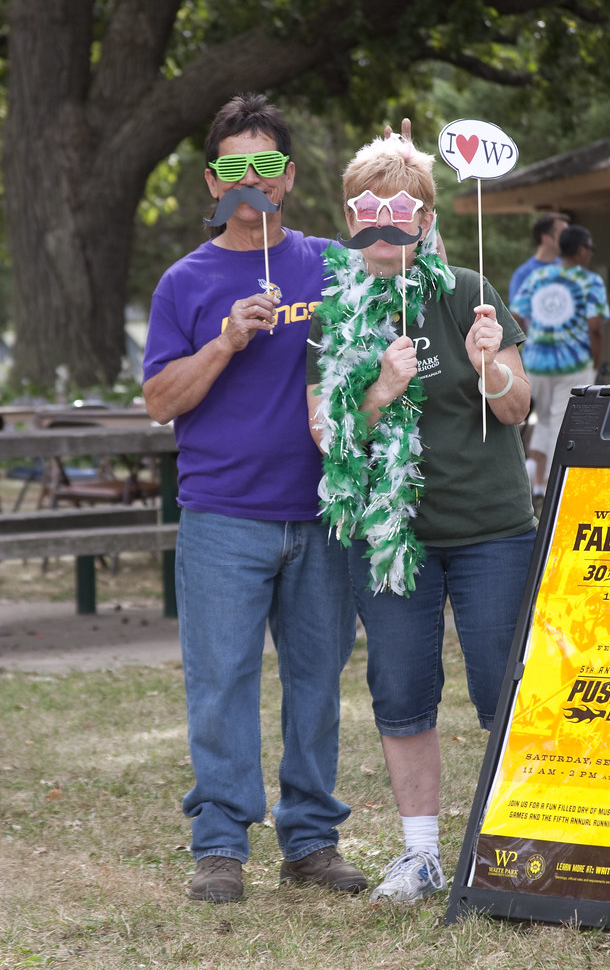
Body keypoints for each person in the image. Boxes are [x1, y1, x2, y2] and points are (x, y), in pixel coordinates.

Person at [142, 93, 366, 903]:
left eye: (263, 168)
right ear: (211, 182)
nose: (249, 183)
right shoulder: (185, 281)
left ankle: (309, 840)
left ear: (288, 178)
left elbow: (401, 296)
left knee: (315, 681)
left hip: (320, 512)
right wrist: (226, 341)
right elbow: (161, 399)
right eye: (232, 169)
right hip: (222, 517)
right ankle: (219, 847)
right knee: (222, 682)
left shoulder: (334, 266)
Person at [306, 133, 536, 903]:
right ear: (348, 216)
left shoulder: (466, 286)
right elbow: (323, 432)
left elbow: (516, 408)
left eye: (398, 214)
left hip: (489, 529)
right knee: (400, 689)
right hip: (388, 535)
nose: (381, 232)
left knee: (504, 686)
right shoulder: (337, 310)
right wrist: (376, 391)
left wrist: (488, 363)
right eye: (366, 213)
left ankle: (523, 841)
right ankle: (420, 854)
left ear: (427, 218)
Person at [510, 224, 610, 501]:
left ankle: (540, 483)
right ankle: (561, 488)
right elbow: (595, 328)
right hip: (573, 363)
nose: (591, 253)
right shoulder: (590, 282)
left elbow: (514, 316)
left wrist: (530, 343)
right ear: (580, 251)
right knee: (563, 424)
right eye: (590, 248)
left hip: (536, 362)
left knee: (543, 421)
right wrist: (595, 360)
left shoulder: (538, 277)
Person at [508, 212, 569, 306]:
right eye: (563, 233)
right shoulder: (523, 274)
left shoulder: (569, 270)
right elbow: (516, 315)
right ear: (546, 238)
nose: (568, 238)